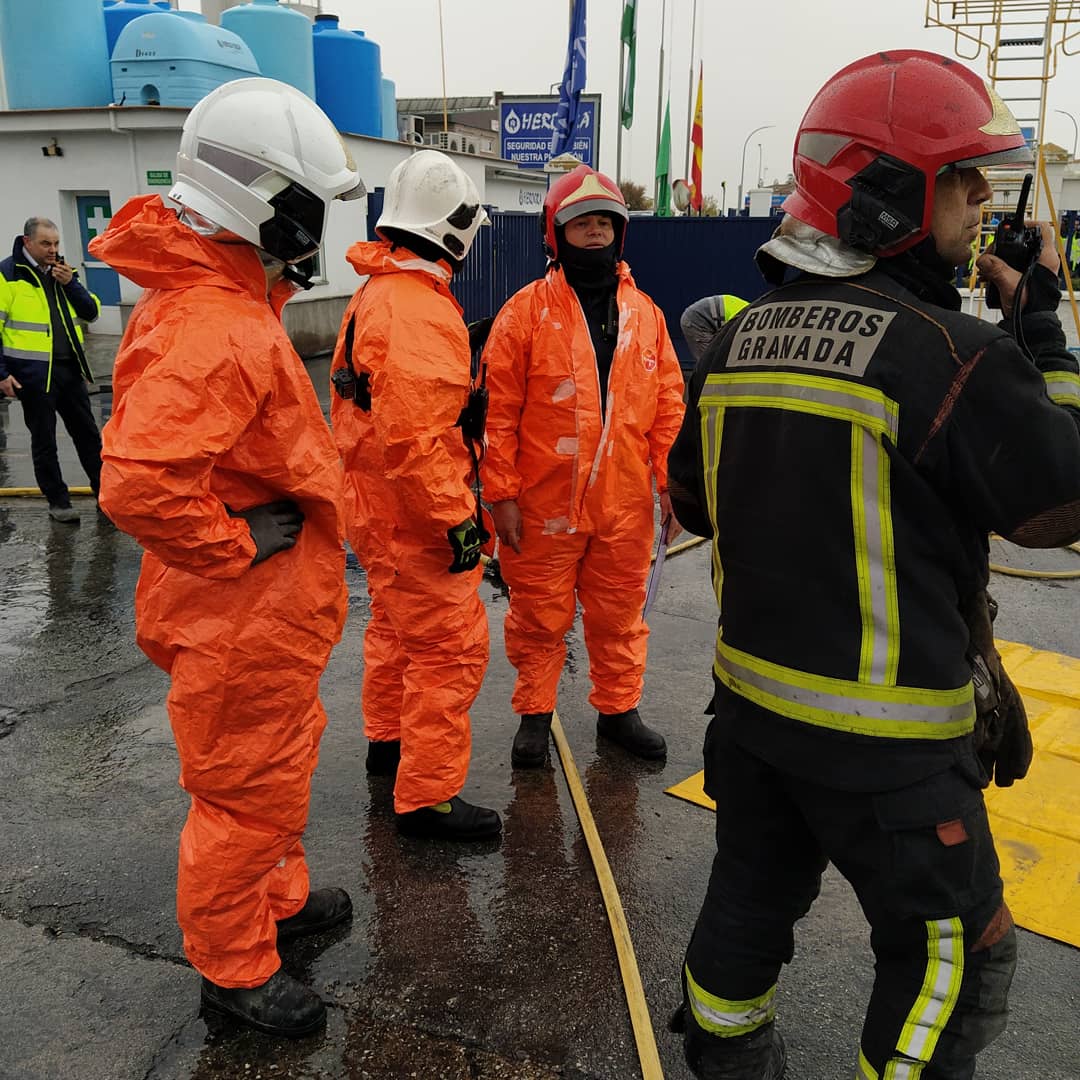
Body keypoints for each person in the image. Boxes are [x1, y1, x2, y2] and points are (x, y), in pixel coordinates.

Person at [667, 50, 1080, 1080]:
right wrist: (1044, 336)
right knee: (956, 964)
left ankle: (724, 1058)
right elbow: (1056, 504)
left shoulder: (738, 342)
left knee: (749, 906)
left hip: (751, 728)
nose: (985, 199)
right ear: (891, 193)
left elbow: (689, 503)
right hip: (890, 757)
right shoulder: (950, 354)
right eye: (964, 177)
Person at [88, 77, 366, 1038]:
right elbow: (136, 482)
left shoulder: (219, 300)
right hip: (240, 615)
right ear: (266, 202)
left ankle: (274, 905)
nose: (313, 227)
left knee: (272, 774)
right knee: (244, 794)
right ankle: (234, 969)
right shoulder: (218, 324)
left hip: (260, 615)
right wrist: (234, 541)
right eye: (305, 205)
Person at [482, 165, 686, 768]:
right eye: (581, 224)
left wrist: (671, 485)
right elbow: (496, 415)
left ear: (619, 233)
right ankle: (533, 716)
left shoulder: (645, 314)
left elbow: (668, 403)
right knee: (539, 618)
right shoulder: (522, 314)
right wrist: (501, 496)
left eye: (604, 223)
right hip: (542, 506)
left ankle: (619, 711)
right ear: (557, 233)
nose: (594, 233)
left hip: (623, 507)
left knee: (619, 616)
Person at [329, 148, 501, 843]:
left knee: (395, 634)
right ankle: (427, 797)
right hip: (413, 513)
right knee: (449, 650)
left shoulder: (379, 291)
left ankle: (388, 745)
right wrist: (459, 523)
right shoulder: (417, 308)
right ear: (453, 228)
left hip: (375, 505)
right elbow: (417, 442)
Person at [0, 217, 103, 522]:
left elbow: (92, 313)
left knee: (89, 437)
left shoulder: (63, 272)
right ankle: (58, 502)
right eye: (46, 243)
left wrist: (71, 283)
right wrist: (2, 374)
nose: (53, 249)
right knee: (44, 441)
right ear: (27, 241)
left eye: (56, 243)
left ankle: (106, 497)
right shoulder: (8, 275)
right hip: (33, 374)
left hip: (70, 370)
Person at [680, 294, 749, 365]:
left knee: (717, 359)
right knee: (709, 362)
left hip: (708, 318)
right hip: (695, 320)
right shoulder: (744, 318)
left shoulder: (748, 310)